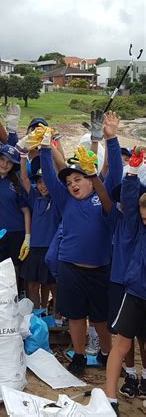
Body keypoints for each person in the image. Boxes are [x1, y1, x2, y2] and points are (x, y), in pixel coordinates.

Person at [40, 111, 122, 377]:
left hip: (100, 269)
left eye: (78, 179)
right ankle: (78, 355)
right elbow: (52, 180)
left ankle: (106, 353)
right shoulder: (66, 201)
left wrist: (111, 139)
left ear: (90, 178)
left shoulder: (104, 200)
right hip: (70, 267)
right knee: (75, 316)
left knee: (100, 319)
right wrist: (44, 147)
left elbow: (116, 174)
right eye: (70, 182)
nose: (73, 185)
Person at [106, 149, 146, 415]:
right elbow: (130, 199)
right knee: (122, 343)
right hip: (135, 292)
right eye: (143, 216)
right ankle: (109, 399)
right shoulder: (136, 225)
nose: (145, 219)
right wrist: (131, 172)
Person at [19, 157, 60, 310]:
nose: (43, 186)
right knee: (32, 284)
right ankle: (37, 315)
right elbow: (23, 177)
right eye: (40, 182)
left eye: (47, 181)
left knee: (54, 285)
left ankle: (57, 318)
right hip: (35, 247)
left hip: (52, 248)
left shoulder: (58, 199)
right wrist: (23, 155)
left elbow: (61, 173)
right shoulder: (35, 196)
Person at [0, 144, 31, 267]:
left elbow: (26, 211)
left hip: (16, 232)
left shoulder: (16, 183)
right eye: (2, 159)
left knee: (15, 269)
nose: (5, 164)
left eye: (9, 162)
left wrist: (27, 236)